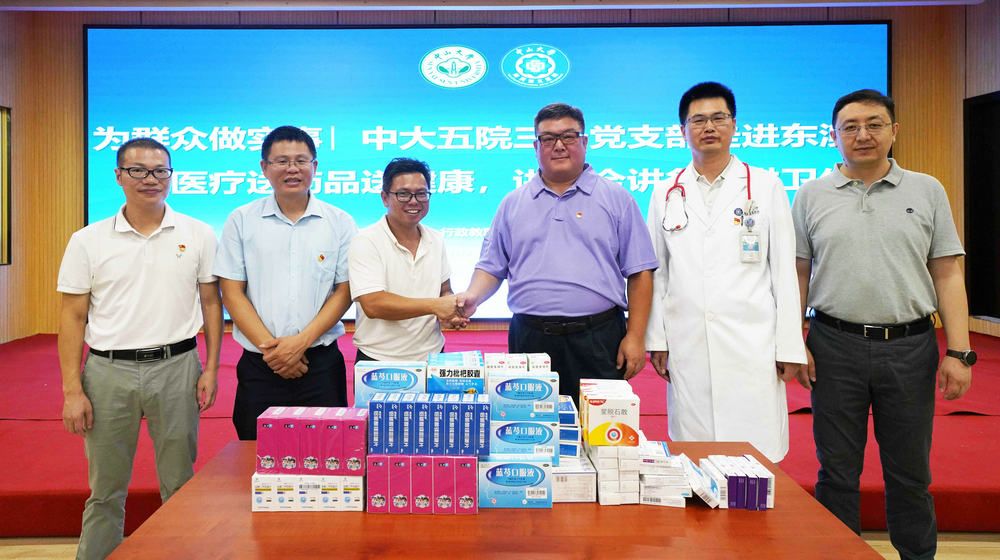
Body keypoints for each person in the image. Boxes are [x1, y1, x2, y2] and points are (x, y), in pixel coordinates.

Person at [793, 89, 974, 560]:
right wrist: (796, 340)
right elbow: (798, 273)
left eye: (874, 124)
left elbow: (948, 273)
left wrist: (959, 352)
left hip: (910, 347)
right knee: (836, 471)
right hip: (834, 345)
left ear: (894, 131)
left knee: (910, 472)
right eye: (850, 127)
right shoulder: (811, 195)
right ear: (833, 136)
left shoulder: (927, 190)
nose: (863, 135)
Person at [57, 137, 222, 559]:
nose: (151, 179)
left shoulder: (198, 233)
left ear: (171, 175)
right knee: (105, 488)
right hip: (108, 372)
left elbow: (210, 303)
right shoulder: (88, 240)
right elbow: (72, 317)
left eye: (160, 171)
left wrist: (211, 369)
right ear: (118, 176)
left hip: (177, 365)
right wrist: (72, 391)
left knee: (179, 482)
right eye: (138, 170)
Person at [644, 82, 805, 463]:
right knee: (695, 451)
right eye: (698, 120)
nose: (709, 127)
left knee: (755, 452)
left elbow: (784, 271)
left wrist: (789, 345)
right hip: (688, 338)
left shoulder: (765, 185)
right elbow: (657, 272)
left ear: (734, 125)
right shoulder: (666, 190)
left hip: (752, 341)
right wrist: (657, 338)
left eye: (718, 118)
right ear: (683, 130)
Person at [458, 102, 658, 400]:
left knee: (599, 426)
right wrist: (472, 297)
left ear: (584, 142)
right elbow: (491, 267)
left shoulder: (617, 198)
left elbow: (640, 271)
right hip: (530, 339)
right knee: (527, 423)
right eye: (548, 138)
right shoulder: (513, 203)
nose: (559, 146)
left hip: (599, 338)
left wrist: (636, 336)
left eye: (569, 136)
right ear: (535, 146)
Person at [215, 125, 357, 440]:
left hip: (320, 364)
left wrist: (300, 343)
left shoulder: (340, 222)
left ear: (314, 166)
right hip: (261, 363)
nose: (292, 169)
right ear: (264, 167)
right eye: (281, 161)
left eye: (301, 161)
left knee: (327, 452)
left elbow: (344, 291)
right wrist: (274, 352)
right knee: (255, 451)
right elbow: (232, 292)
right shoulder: (241, 219)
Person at [348, 157, 465, 362]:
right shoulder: (366, 241)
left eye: (421, 193)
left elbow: (444, 290)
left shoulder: (436, 239)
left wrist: (450, 312)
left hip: (432, 355)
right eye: (403, 194)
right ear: (385, 198)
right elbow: (373, 304)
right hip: (379, 359)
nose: (413, 201)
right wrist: (435, 306)